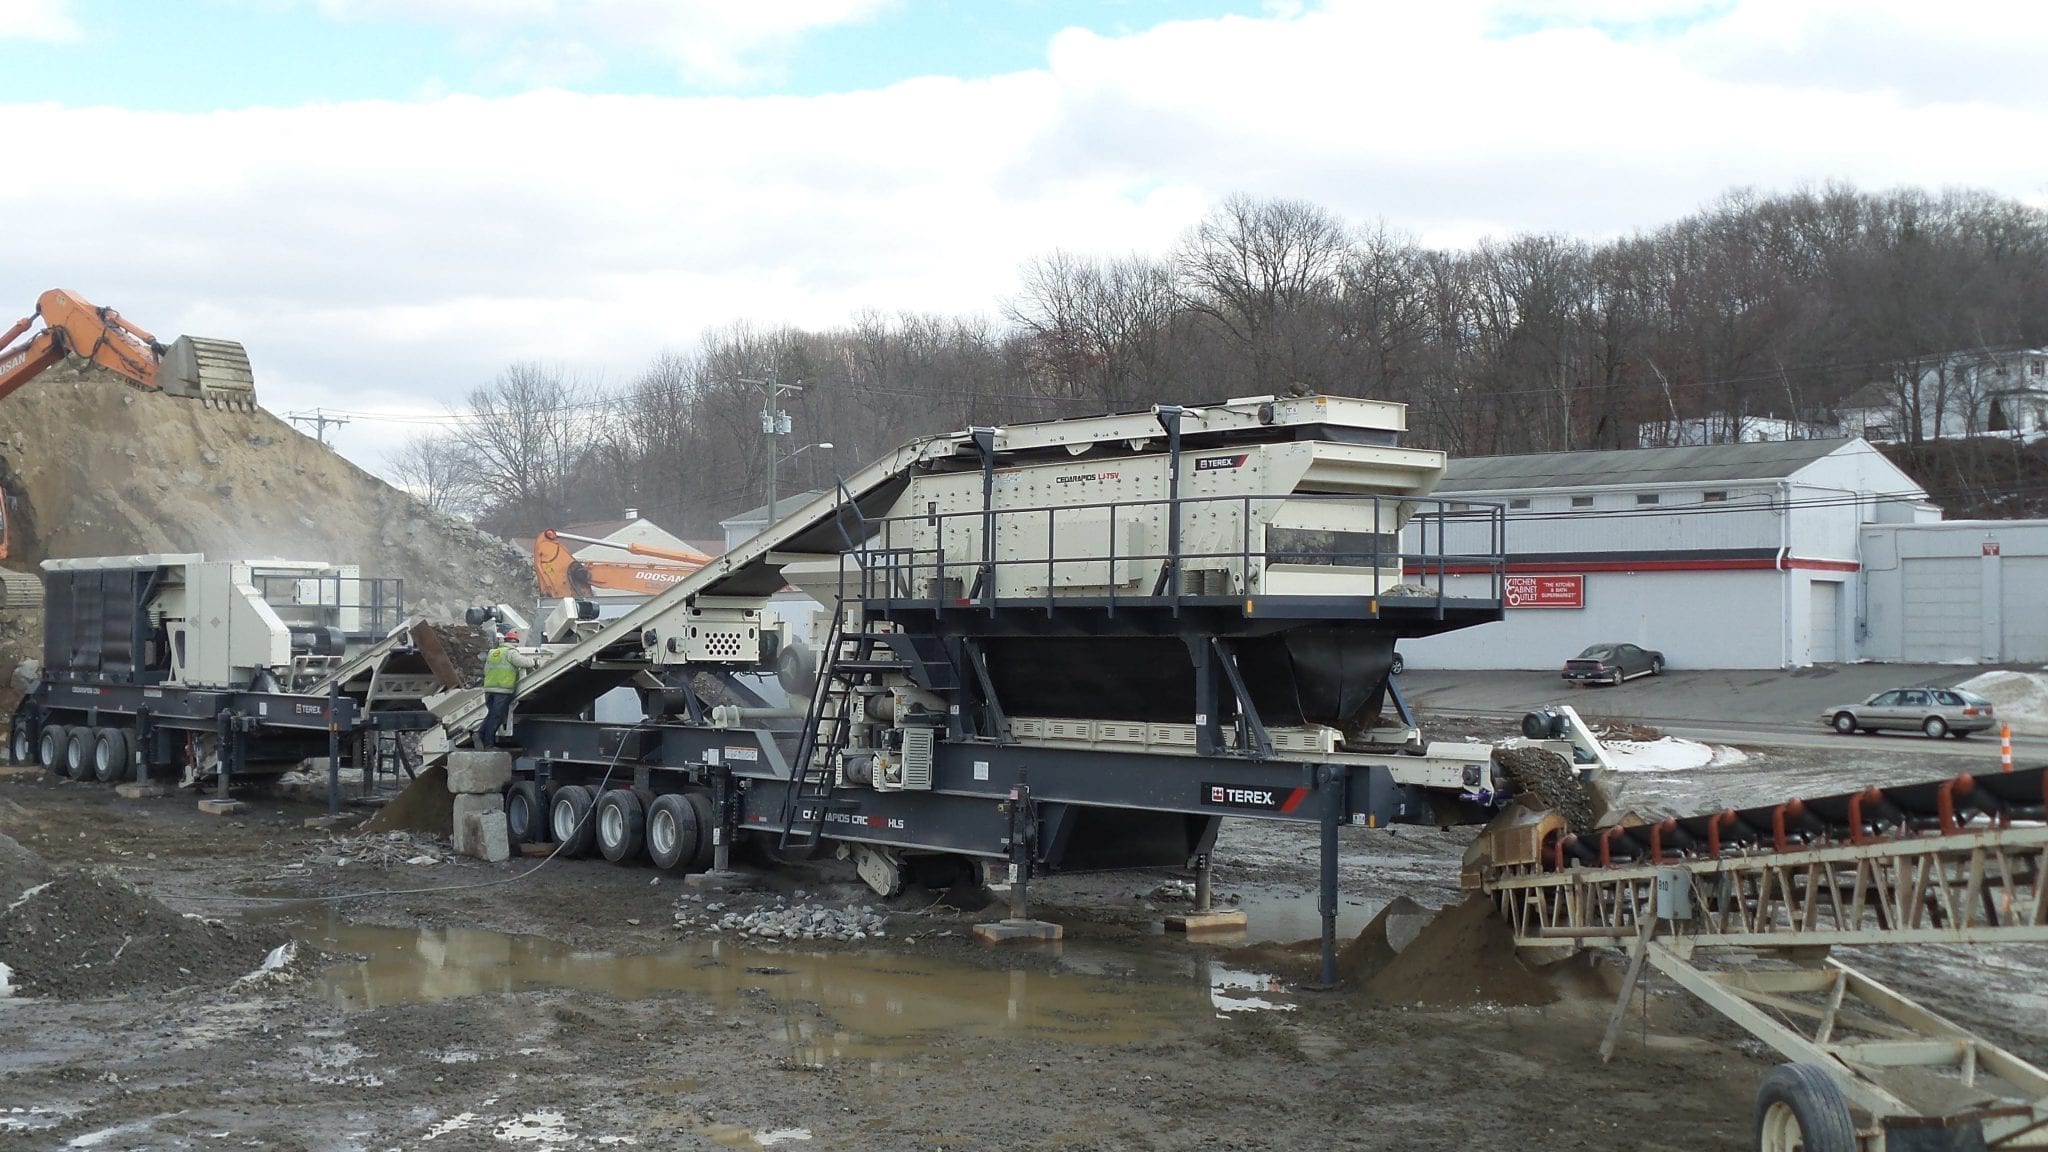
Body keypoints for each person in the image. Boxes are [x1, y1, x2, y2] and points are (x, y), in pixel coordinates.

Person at [480, 630, 540, 748]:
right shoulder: (511, 652)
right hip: (502, 690)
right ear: (515, 642)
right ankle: (488, 743)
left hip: (489, 689)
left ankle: (480, 734)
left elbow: (486, 670)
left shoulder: (493, 652)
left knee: (491, 714)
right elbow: (524, 663)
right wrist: (533, 661)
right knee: (497, 716)